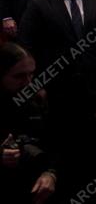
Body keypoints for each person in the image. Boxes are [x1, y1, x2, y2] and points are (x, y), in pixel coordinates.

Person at [18, 0, 96, 196]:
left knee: (90, 144)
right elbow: (27, 46)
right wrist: (36, 84)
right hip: (55, 88)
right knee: (61, 143)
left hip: (91, 86)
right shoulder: (39, 3)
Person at [0, 43, 56, 204]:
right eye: (19, 76)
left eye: (31, 74)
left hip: (34, 186)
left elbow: (56, 144)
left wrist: (51, 173)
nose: (28, 83)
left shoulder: (37, 100)